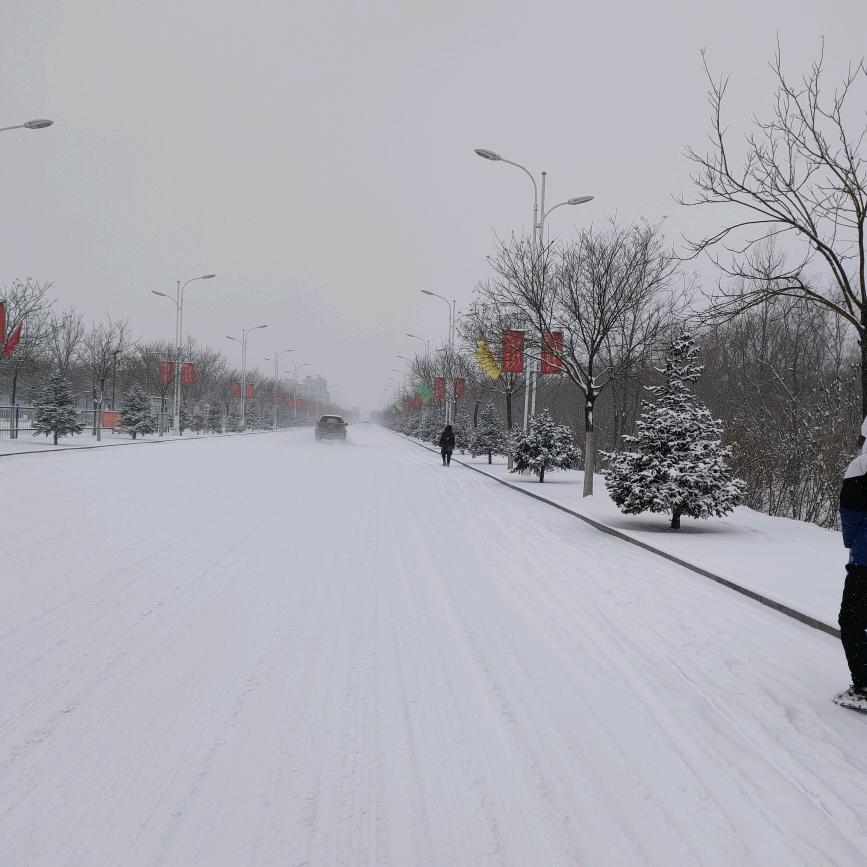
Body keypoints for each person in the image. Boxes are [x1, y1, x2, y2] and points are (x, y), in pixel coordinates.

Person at [837, 416, 867, 710]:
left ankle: (864, 685)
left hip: (865, 564)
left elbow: (851, 516)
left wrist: (855, 544)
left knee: (853, 621)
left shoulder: (860, 468)